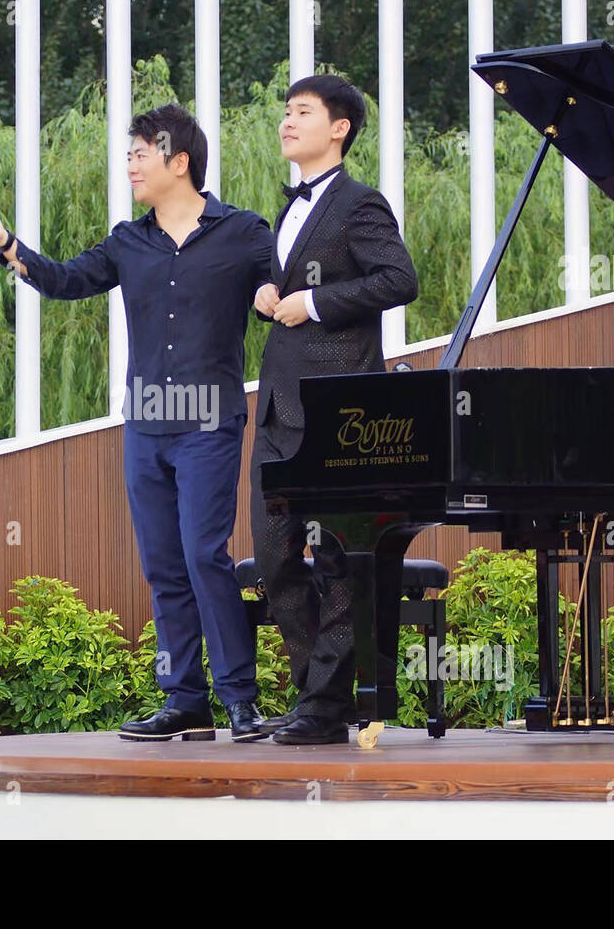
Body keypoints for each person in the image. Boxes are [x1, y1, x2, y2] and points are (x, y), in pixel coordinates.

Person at [0, 104, 275, 742]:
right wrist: (6, 243)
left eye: (139, 154)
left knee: (205, 555)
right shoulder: (129, 242)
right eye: (128, 154)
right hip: (147, 425)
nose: (129, 164)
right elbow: (66, 280)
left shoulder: (245, 232)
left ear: (178, 162)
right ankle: (184, 700)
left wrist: (272, 298)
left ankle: (240, 699)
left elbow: (275, 291)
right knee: (162, 565)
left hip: (209, 422)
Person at [249, 75, 419, 745]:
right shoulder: (285, 207)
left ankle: (323, 709)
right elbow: (286, 286)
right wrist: (267, 290)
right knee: (276, 560)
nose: (288, 121)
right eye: (285, 111)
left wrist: (315, 303)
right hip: (278, 412)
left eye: (303, 112)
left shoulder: (359, 203)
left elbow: (399, 279)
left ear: (340, 127)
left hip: (340, 411)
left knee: (345, 561)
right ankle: (314, 699)